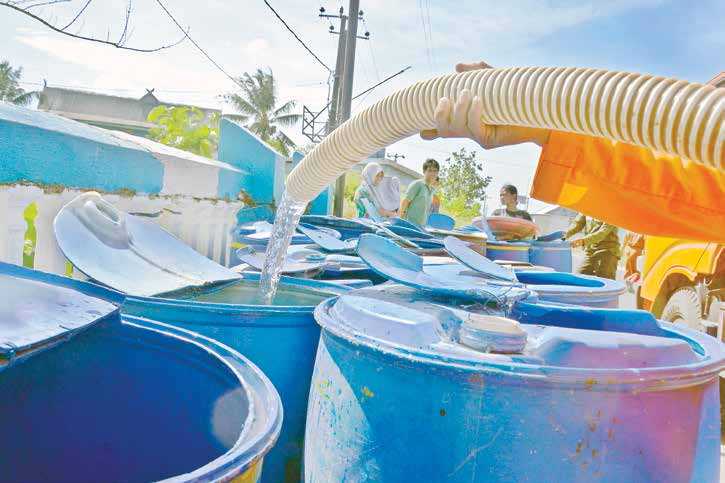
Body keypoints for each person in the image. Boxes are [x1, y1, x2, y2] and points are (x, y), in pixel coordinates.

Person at [420, 61, 725, 243]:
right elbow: (692, 192)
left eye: (505, 195)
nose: (502, 199)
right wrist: (533, 116)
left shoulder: (522, 216)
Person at [565, 215, 621, 280]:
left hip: (607, 251)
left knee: (605, 281)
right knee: (579, 278)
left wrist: (583, 241)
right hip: (590, 251)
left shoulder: (610, 211)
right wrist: (564, 236)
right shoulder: (586, 207)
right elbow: (577, 224)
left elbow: (603, 232)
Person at [400, 158, 440, 226]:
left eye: (435, 171)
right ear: (424, 171)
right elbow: (405, 202)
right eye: (430, 170)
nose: (432, 173)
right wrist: (401, 222)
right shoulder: (418, 184)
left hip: (421, 227)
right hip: (409, 225)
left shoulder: (432, 190)